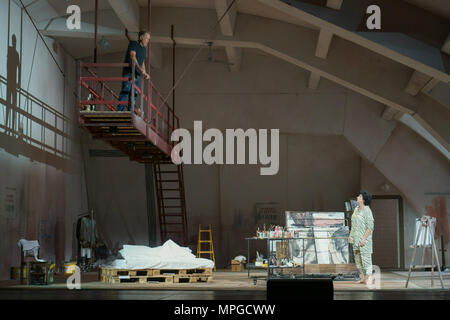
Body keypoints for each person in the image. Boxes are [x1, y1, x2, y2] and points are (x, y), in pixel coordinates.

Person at [117, 31, 150, 111]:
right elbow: (132, 55)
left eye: (148, 39)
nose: (147, 41)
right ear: (141, 37)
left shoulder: (144, 50)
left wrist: (144, 72)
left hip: (137, 74)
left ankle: (130, 111)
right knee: (126, 90)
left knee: (134, 93)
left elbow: (142, 62)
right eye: (146, 38)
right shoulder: (133, 44)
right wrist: (139, 68)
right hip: (129, 72)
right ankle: (119, 111)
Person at [348, 190, 374, 284]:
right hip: (355, 238)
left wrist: (364, 239)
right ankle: (363, 277)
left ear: (363, 199)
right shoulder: (356, 209)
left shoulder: (367, 210)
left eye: (359, 196)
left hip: (364, 240)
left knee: (366, 258)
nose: (357, 197)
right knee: (358, 259)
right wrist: (350, 235)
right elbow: (353, 224)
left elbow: (370, 227)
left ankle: (369, 277)